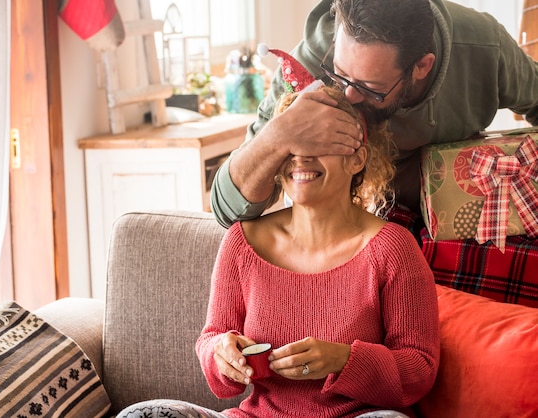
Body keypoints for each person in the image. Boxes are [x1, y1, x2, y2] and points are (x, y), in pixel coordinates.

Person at [117, 85, 440, 418]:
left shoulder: (392, 248)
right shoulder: (242, 241)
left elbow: (419, 370)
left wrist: (343, 359)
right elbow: (212, 341)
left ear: (357, 158)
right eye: (290, 143)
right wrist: (221, 352)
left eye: (319, 142)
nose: (300, 157)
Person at [210, 0, 538, 228]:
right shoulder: (308, 60)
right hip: (355, 230)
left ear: (422, 66)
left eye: (370, 87)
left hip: (457, 221)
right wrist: (278, 136)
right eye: (339, 74)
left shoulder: (485, 47)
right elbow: (226, 210)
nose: (350, 96)